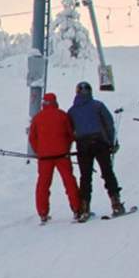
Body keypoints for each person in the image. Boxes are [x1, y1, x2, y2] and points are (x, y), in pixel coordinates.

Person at [68, 81, 125, 217]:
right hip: (100, 143)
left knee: (85, 177)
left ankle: (84, 207)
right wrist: (112, 142)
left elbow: (69, 131)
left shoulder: (71, 111)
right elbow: (109, 124)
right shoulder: (98, 106)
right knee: (107, 172)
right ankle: (115, 203)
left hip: (82, 145)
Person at [28, 93, 82, 223]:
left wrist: (39, 151)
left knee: (43, 184)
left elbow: (32, 138)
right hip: (62, 155)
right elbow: (70, 134)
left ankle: (42, 213)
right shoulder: (62, 115)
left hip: (44, 158)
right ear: (55, 102)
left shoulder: (37, 118)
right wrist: (67, 147)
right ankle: (76, 209)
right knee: (69, 181)